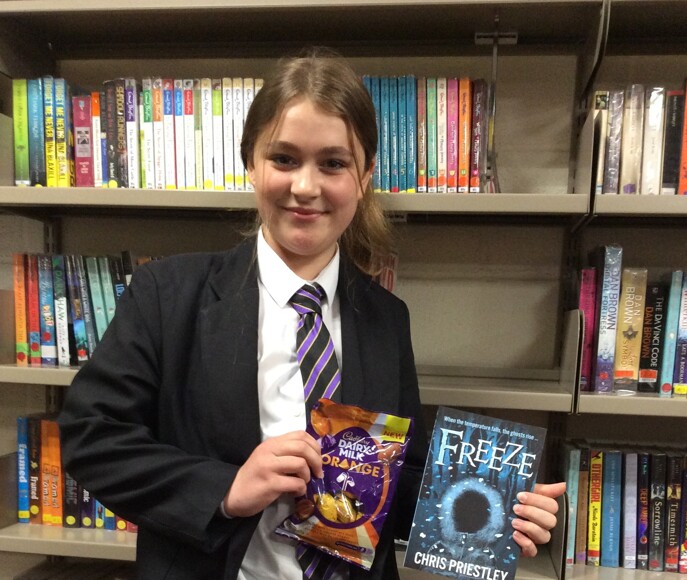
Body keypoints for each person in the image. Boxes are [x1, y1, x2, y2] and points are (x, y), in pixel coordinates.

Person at [58, 48, 565, 580]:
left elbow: (394, 481)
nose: (305, 187)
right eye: (283, 159)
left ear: (364, 176)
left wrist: (497, 507)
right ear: (251, 163)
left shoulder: (387, 318)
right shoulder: (167, 295)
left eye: (333, 163)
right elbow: (92, 436)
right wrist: (225, 489)